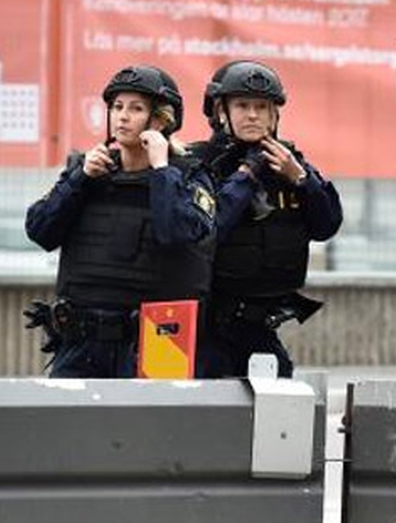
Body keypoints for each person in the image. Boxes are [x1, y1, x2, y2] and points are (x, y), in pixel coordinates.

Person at [24, 66, 216, 377]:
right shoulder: (87, 172)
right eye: (117, 107)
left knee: (151, 426)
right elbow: (40, 231)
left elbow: (176, 232)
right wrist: (79, 179)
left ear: (160, 121)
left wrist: (161, 170)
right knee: (69, 425)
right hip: (81, 342)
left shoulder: (190, 176)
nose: (122, 117)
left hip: (158, 339)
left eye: (135, 109)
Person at [189, 60, 343, 378]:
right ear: (220, 111)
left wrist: (301, 180)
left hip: (260, 328)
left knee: (277, 415)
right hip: (204, 331)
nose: (253, 115)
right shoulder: (197, 164)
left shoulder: (290, 164)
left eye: (262, 106)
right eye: (242, 105)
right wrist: (247, 174)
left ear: (275, 114)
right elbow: (205, 230)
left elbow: (327, 226)